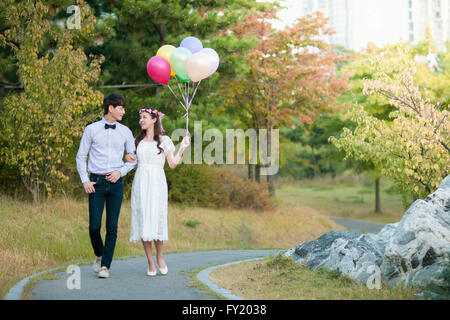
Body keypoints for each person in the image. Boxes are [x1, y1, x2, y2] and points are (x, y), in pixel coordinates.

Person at [76, 93, 137, 279]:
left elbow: (133, 158)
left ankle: (105, 266)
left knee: (112, 227)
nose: (124, 111)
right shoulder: (91, 129)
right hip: (96, 182)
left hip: (116, 183)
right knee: (94, 227)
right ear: (111, 108)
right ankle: (99, 253)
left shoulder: (126, 131)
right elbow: (81, 156)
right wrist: (85, 180)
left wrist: (122, 171)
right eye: (121, 108)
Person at [126, 108, 190, 276]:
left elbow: (173, 163)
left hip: (157, 183)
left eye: (144, 117)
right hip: (141, 182)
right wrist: (128, 158)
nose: (141, 120)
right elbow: (132, 161)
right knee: (144, 219)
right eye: (140, 117)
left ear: (154, 119)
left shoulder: (164, 140)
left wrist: (182, 148)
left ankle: (160, 256)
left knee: (157, 218)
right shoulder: (137, 140)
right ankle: (150, 261)